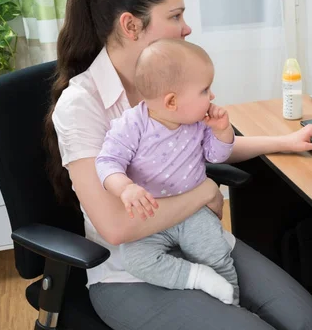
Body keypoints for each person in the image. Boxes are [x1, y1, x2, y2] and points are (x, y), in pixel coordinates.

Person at [45, 0, 312, 330]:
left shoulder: (171, 80)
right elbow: (116, 227)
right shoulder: (82, 104)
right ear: (131, 25)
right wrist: (203, 192)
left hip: (200, 237)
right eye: (176, 16)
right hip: (131, 271)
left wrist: (286, 141)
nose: (187, 28)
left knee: (307, 321)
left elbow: (202, 145)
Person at [95, 39, 240, 306]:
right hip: (151, 218)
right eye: (205, 90)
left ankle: (233, 306)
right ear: (172, 101)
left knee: (216, 255)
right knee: (136, 259)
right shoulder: (131, 125)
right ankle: (196, 277)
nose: (212, 97)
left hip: (193, 212)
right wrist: (125, 188)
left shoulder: (198, 122)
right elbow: (107, 162)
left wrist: (221, 131)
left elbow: (216, 156)